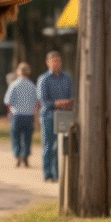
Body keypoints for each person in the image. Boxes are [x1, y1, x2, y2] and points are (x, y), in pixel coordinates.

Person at [36, 51, 73, 182]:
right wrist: (58, 103)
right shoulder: (44, 79)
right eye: (54, 61)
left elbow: (71, 97)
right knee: (48, 145)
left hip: (64, 116)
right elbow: (44, 101)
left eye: (58, 60)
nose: (56, 63)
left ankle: (58, 174)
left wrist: (65, 103)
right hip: (48, 116)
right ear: (48, 63)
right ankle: (48, 174)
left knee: (61, 145)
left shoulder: (67, 78)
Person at [3, 62, 37, 167]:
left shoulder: (14, 85)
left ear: (18, 72)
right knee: (27, 138)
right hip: (29, 115)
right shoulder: (32, 85)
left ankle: (17, 155)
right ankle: (25, 155)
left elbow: (7, 101)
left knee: (16, 137)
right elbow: (37, 102)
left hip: (16, 115)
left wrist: (9, 113)